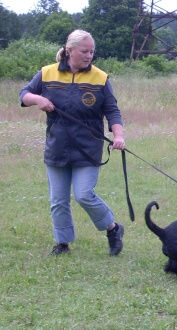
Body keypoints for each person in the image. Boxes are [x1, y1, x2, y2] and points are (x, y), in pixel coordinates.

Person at [19, 29, 126, 256]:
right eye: (84, 51)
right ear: (70, 51)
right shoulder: (47, 73)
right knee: (58, 201)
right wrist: (38, 99)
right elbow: (24, 94)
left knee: (84, 195)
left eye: (92, 52)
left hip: (88, 148)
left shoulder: (100, 78)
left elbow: (112, 112)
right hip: (57, 147)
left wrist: (119, 136)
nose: (89, 56)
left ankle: (113, 229)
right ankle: (63, 244)